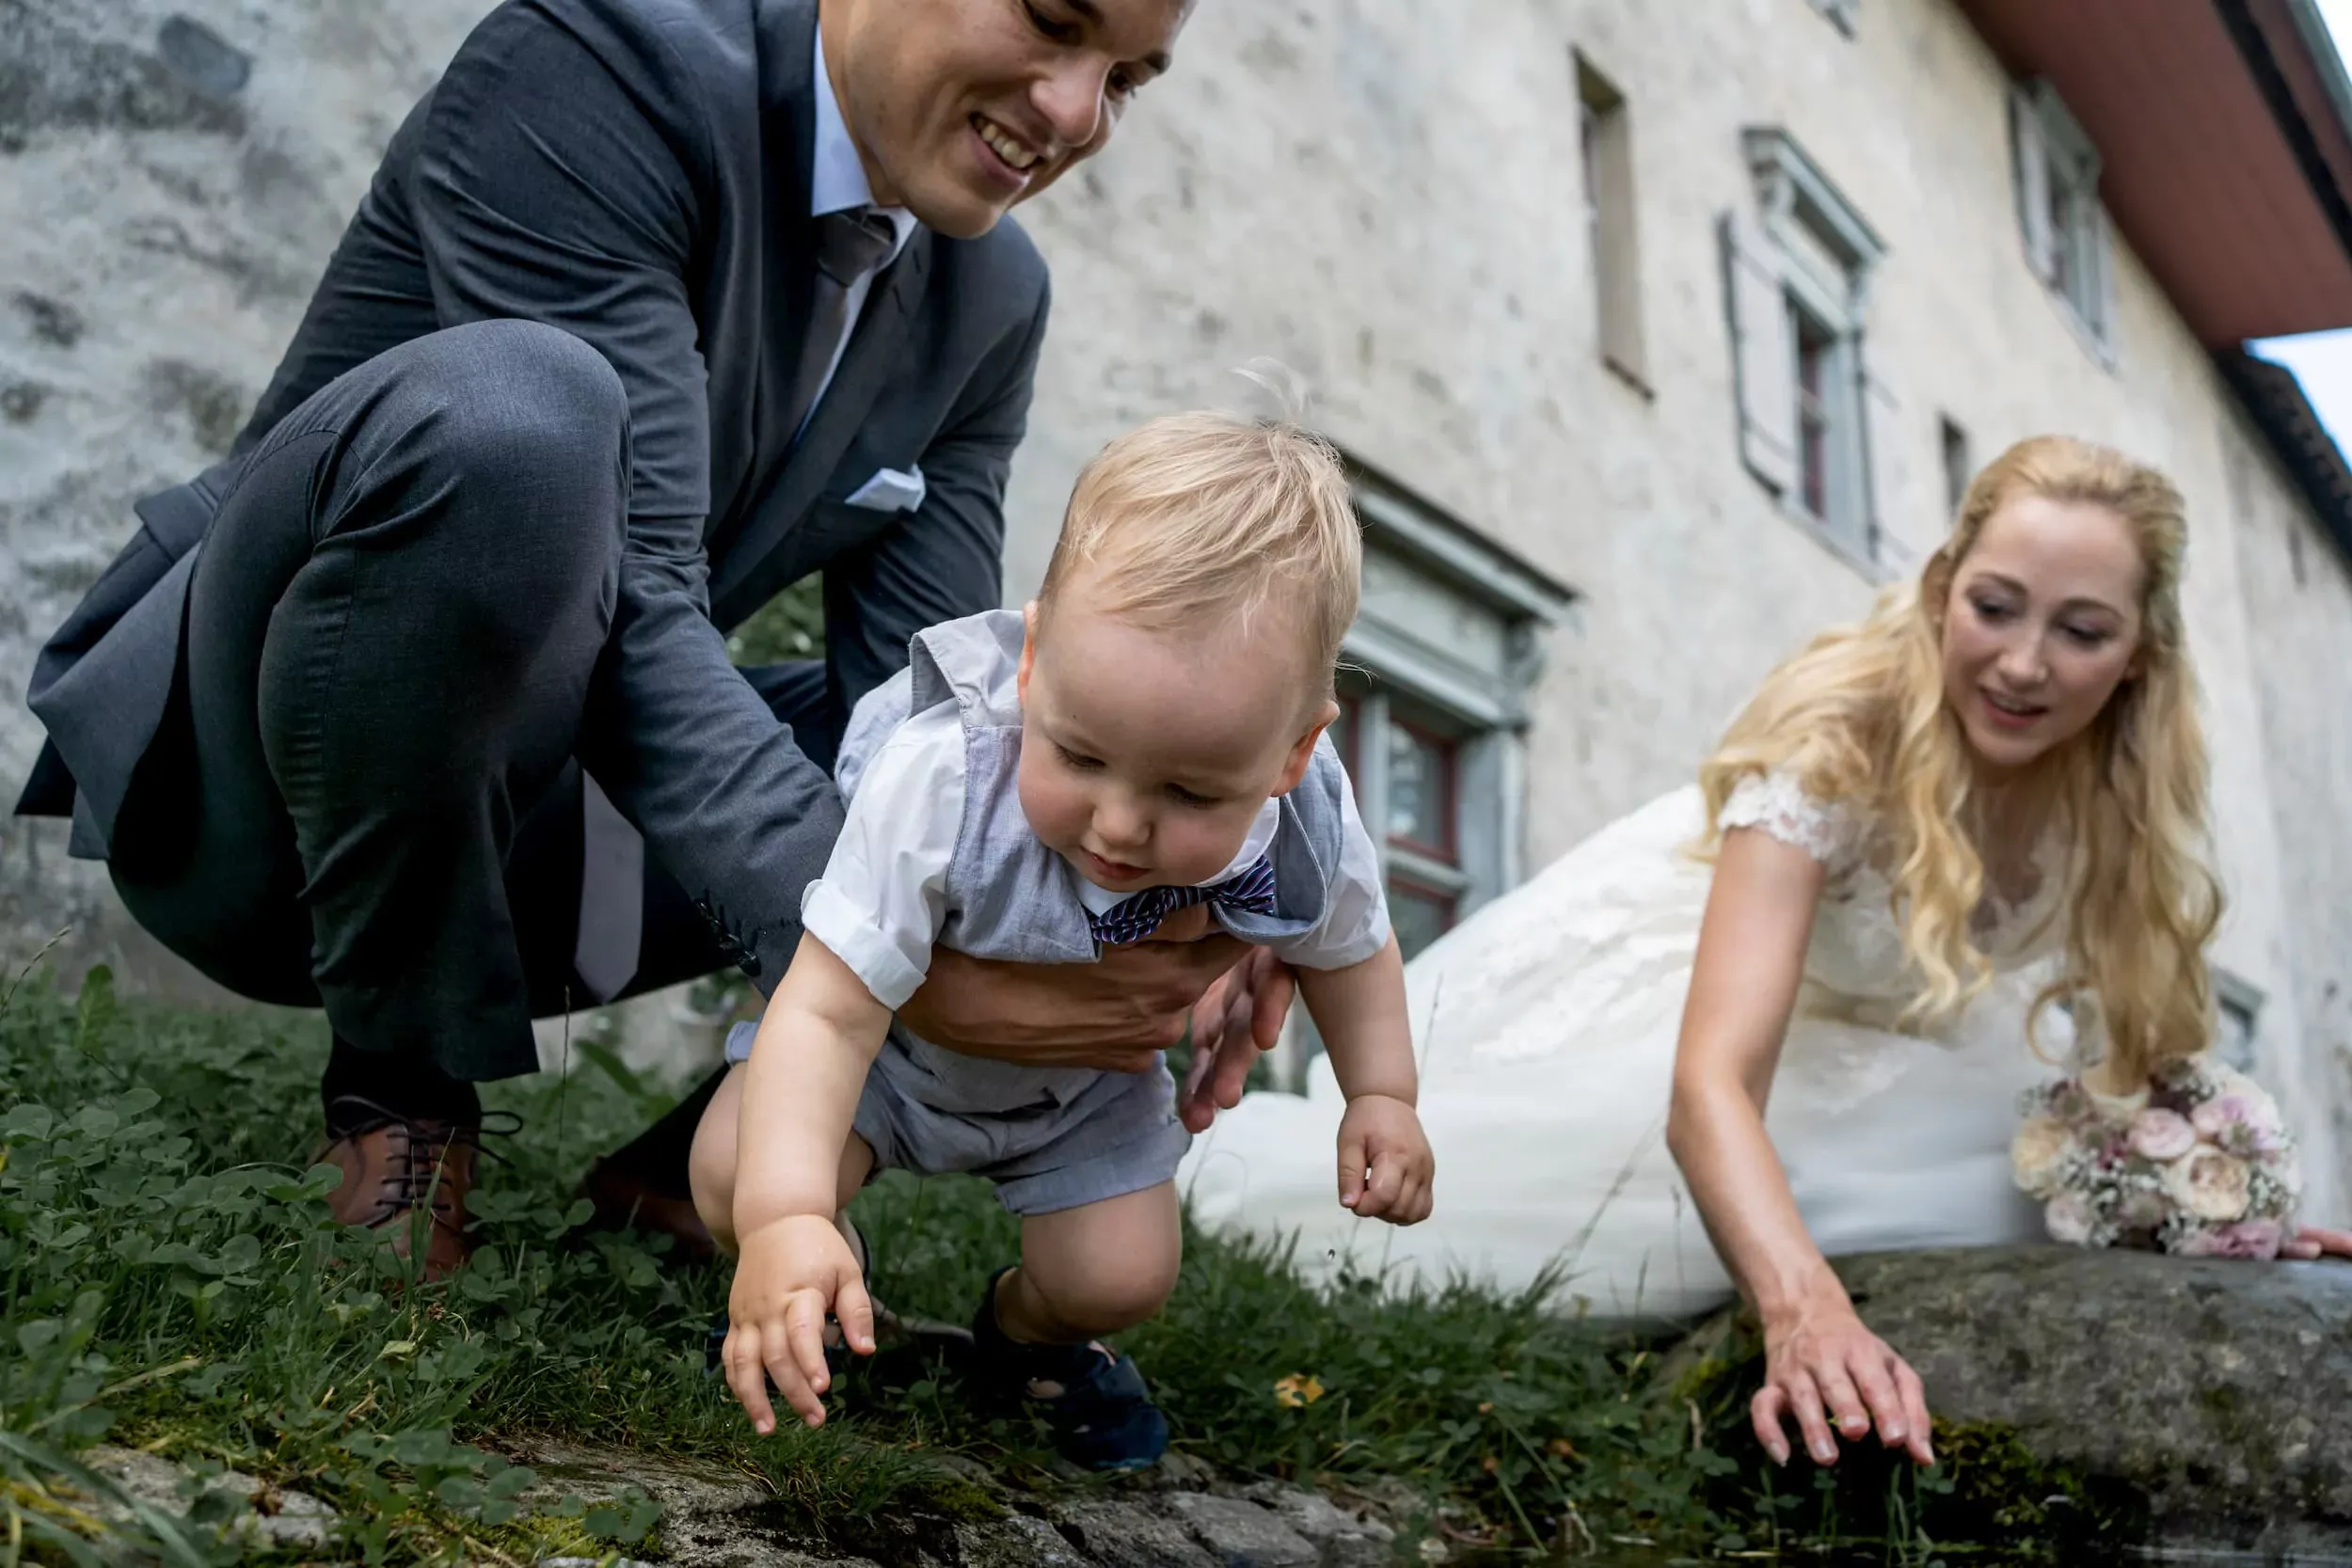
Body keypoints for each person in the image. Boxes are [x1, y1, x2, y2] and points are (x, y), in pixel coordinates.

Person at [13, 0, 1291, 1280]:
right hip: (257, 794)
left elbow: (932, 708)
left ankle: (685, 1179)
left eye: (1126, 78)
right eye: (1051, 19)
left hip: (553, 825)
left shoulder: (991, 295)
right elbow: (638, 602)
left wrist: (1193, 891)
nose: (1075, 113)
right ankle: (400, 1098)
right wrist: (900, 963)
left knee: (1039, 770)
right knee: (528, 420)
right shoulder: (590, 67)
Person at [1178, 435, 2352, 1472]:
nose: (2024, 663)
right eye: (1994, 606)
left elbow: (2138, 1048)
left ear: (2140, 654)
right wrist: (1802, 1306)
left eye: (2081, 630)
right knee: (1467, 1201)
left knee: (1988, 1148)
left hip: (1892, 1033)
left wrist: (2206, 1205)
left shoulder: (2123, 794)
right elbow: (1710, 1082)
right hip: (1688, 1003)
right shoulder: (1838, 731)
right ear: (1943, 589)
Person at [688, 413, 1434, 1471]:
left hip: (1084, 1088)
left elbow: (1353, 948)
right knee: (735, 1171)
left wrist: (1383, 1093)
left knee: (1119, 1277)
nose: (1120, 824)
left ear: (1294, 748)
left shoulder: (1309, 821)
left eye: (1187, 790)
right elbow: (827, 1007)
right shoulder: (947, 773)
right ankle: (820, 1284)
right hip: (889, 1062)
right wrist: (786, 1213)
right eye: (1079, 755)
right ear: (1031, 662)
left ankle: (1023, 1339)